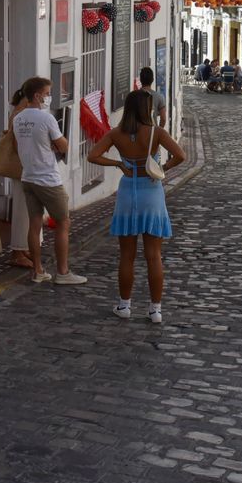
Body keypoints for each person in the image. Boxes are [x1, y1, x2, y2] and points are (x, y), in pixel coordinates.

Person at [87, 90, 187, 324]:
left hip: (127, 194)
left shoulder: (116, 134)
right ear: (147, 110)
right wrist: (162, 169)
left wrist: (119, 164)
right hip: (151, 192)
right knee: (154, 256)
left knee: (126, 256)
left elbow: (93, 155)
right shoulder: (156, 133)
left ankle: (124, 305)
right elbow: (180, 155)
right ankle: (155, 310)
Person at [12, 77, 86, 285]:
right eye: (46, 93)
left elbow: (22, 145)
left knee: (34, 224)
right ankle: (63, 272)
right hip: (47, 178)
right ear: (37, 96)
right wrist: (55, 144)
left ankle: (38, 270)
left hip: (28, 176)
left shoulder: (18, 118)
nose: (48, 97)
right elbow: (63, 146)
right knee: (63, 223)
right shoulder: (46, 119)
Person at [2, 86, 34, 269]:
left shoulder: (22, 113)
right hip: (22, 168)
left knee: (29, 210)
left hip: (27, 168)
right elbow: (17, 143)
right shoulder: (20, 115)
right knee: (22, 211)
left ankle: (25, 247)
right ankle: (17, 251)